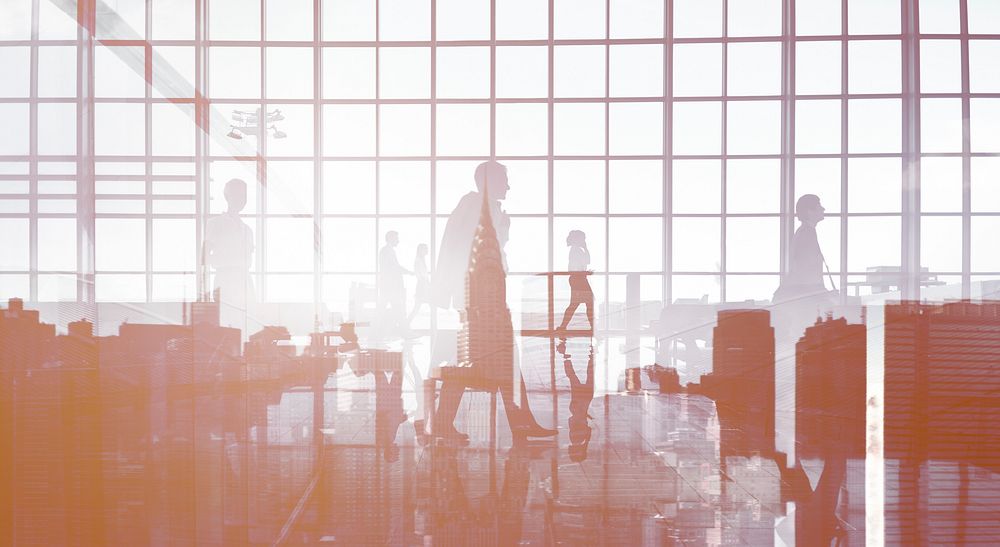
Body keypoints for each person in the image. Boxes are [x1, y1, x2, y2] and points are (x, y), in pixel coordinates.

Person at [431, 161, 554, 441]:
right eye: (504, 180)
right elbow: (469, 251)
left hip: (482, 296)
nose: (508, 186)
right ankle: (520, 423)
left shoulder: (479, 207)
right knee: (497, 360)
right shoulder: (475, 206)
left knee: (483, 360)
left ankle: (516, 423)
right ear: (489, 181)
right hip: (482, 299)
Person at [203, 178, 255, 328]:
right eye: (237, 195)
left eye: (243, 196)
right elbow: (205, 254)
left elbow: (248, 260)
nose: (241, 199)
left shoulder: (247, 230)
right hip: (225, 278)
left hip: (244, 280)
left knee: (245, 323)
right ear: (227, 196)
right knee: (225, 323)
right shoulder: (215, 223)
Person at [556, 230, 594, 334]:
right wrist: (585, 273)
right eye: (583, 238)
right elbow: (576, 267)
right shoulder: (575, 250)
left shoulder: (577, 250)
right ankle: (591, 327)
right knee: (584, 303)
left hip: (578, 279)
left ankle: (563, 326)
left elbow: (587, 261)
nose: (584, 240)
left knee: (576, 304)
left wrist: (585, 248)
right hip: (579, 279)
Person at [377, 231, 410, 336]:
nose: (398, 241)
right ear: (391, 238)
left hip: (388, 286)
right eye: (396, 238)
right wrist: (409, 272)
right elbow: (394, 267)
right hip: (389, 286)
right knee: (396, 309)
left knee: (396, 310)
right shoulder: (387, 251)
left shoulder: (387, 250)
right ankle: (405, 333)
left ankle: (405, 332)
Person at [407, 243, 430, 326]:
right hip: (422, 286)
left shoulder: (421, 260)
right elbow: (420, 275)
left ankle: (406, 324)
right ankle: (405, 324)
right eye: (425, 249)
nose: (427, 250)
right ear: (421, 250)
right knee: (416, 308)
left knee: (417, 308)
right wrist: (426, 284)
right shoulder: (418, 261)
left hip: (423, 285)